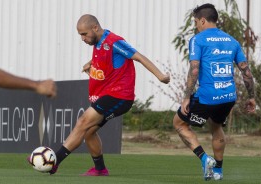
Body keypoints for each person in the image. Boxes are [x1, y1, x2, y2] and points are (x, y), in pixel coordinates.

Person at [43, 14, 170, 176]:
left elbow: (138, 57)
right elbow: (108, 65)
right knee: (88, 132)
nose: (82, 38)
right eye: (80, 35)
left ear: (95, 28)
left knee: (83, 121)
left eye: (84, 34)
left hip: (119, 96)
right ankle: (100, 169)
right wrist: (90, 65)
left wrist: (161, 76)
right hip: (109, 95)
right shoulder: (98, 43)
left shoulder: (113, 41)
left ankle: (54, 161)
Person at [172, 3, 256, 181]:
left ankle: (205, 158)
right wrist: (252, 97)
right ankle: (218, 171)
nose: (196, 26)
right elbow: (246, 72)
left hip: (207, 97)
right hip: (228, 97)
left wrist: (187, 97)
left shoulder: (198, 39)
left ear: (202, 20)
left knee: (179, 123)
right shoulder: (232, 41)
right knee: (216, 126)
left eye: (196, 22)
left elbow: (194, 70)